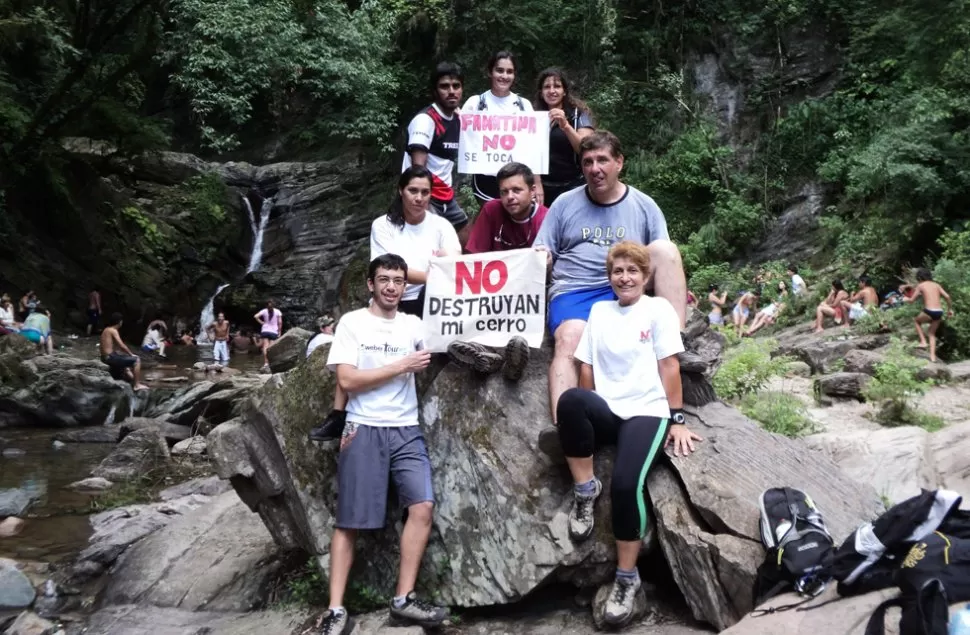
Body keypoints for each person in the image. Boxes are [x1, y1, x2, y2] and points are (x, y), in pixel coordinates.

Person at [553, 241, 701, 628]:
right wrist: (592, 406)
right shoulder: (600, 311)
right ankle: (585, 490)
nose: (625, 277)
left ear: (646, 275)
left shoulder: (657, 310)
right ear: (610, 277)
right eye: (618, 271)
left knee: (624, 485)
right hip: (610, 408)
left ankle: (626, 578)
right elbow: (585, 367)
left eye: (632, 271)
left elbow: (669, 364)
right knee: (571, 400)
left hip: (647, 412)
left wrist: (678, 418)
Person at [317, 254, 448, 634]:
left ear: (407, 286)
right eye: (385, 279)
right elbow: (348, 381)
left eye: (399, 281)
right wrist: (400, 366)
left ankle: (404, 599)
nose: (392, 287)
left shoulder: (413, 324)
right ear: (370, 285)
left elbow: (455, 331)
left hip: (406, 427)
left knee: (422, 506)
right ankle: (336, 609)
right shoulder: (353, 323)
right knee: (349, 521)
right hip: (363, 426)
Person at [533, 130, 687, 426]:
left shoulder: (644, 205)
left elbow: (662, 260)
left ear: (619, 162)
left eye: (602, 160)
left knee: (666, 250)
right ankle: (565, 427)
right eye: (588, 162)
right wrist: (545, 258)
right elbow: (542, 254)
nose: (595, 169)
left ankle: (677, 338)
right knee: (570, 340)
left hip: (626, 287)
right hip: (575, 290)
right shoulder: (564, 204)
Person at [370, 166, 461, 318]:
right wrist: (432, 276)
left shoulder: (442, 225)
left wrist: (448, 260)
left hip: (434, 300)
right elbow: (388, 268)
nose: (419, 198)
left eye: (425, 192)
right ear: (401, 191)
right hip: (395, 299)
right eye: (413, 191)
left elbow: (455, 263)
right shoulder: (382, 225)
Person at [462, 51, 544, 206]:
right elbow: (461, 136)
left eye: (509, 72)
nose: (504, 76)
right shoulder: (475, 103)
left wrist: (537, 182)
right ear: (490, 72)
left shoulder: (523, 105)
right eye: (499, 70)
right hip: (485, 180)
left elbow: (534, 147)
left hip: (517, 179)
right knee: (493, 222)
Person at [402, 62, 469, 245]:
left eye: (456, 86)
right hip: (425, 194)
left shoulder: (458, 118)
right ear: (435, 91)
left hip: (446, 194)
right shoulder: (426, 120)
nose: (451, 91)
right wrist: (424, 201)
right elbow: (417, 169)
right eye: (444, 86)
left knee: (465, 237)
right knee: (431, 245)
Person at [533, 68, 595, 205]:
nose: (552, 91)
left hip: (573, 185)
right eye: (547, 87)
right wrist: (536, 183)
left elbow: (586, 148)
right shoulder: (534, 116)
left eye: (557, 86)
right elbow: (530, 154)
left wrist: (566, 126)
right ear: (541, 93)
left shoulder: (578, 114)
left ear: (564, 91)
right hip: (544, 187)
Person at [464, 162, 549, 254]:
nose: (510, 197)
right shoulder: (491, 210)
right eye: (504, 192)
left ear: (532, 191)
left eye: (516, 190)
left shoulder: (545, 219)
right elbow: (475, 255)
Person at [904, 268, 954, 362]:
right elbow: (947, 296)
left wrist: (906, 299)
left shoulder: (921, 285)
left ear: (919, 277)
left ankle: (923, 342)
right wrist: (949, 309)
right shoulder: (936, 285)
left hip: (929, 311)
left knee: (916, 321)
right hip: (939, 311)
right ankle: (933, 357)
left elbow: (911, 300)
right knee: (931, 333)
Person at [100, 312, 149, 391]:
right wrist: (131, 354)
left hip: (105, 357)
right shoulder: (113, 330)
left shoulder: (106, 329)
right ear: (120, 322)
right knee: (137, 360)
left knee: (124, 361)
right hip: (109, 357)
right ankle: (136, 385)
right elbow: (121, 345)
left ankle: (133, 380)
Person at [254, 300, 283, 372]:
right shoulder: (278, 311)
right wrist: (279, 332)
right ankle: (270, 362)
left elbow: (255, 316)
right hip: (273, 332)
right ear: (274, 305)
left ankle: (266, 363)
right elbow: (280, 322)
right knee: (271, 347)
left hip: (265, 330)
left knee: (265, 347)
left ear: (266, 305)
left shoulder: (264, 311)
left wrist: (262, 323)